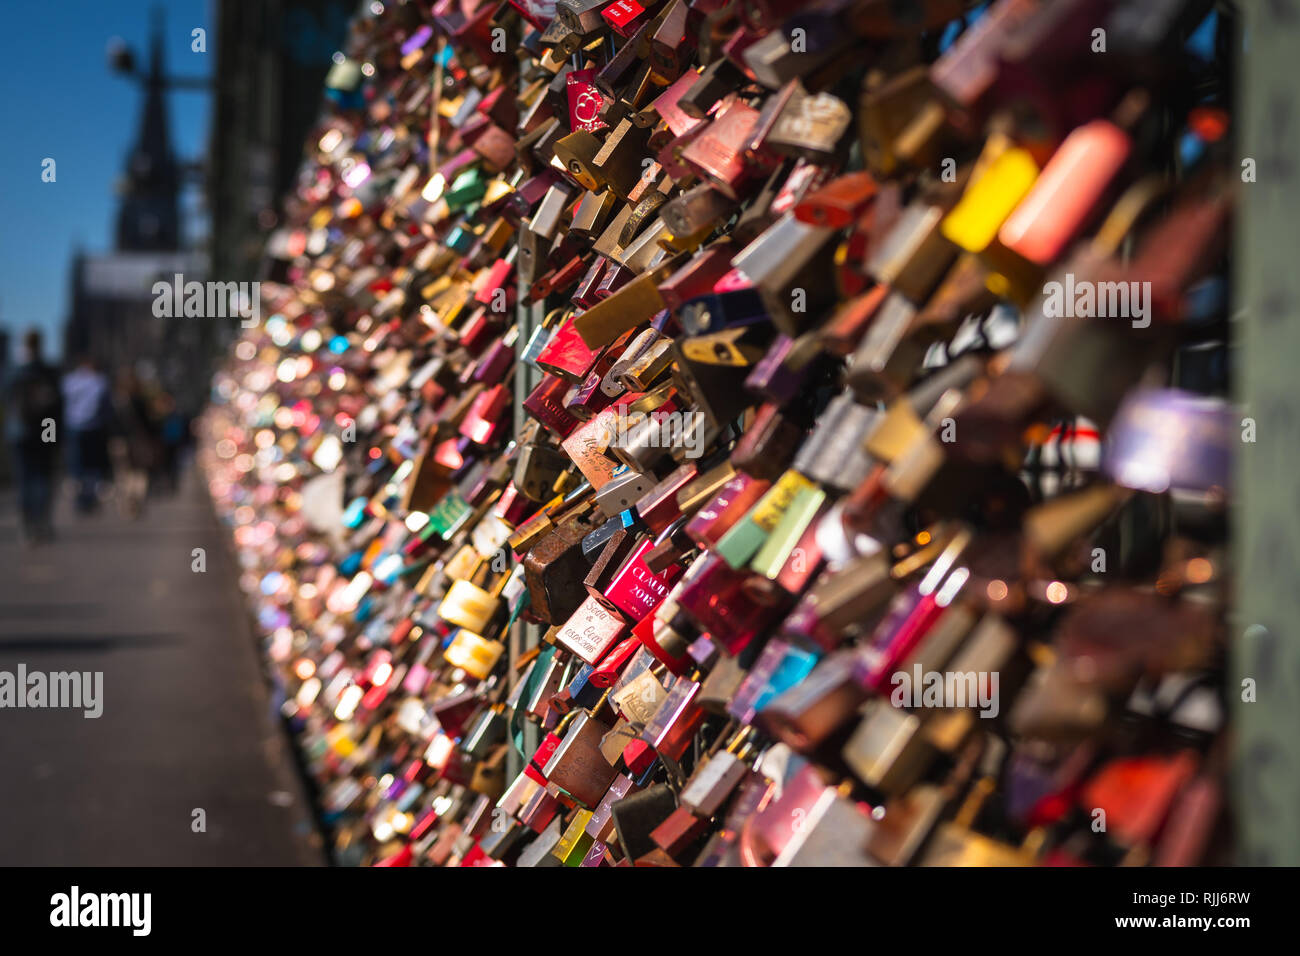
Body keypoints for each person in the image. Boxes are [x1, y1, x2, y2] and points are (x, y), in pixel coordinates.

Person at [4, 329, 62, 544]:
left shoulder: (14, 371)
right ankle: (42, 522)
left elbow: (6, 397)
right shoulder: (48, 371)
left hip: (19, 431)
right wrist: (55, 437)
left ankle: (27, 525)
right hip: (45, 430)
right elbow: (57, 408)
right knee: (43, 477)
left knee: (24, 478)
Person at [62, 355, 113, 513]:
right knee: (93, 464)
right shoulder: (100, 381)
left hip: (74, 427)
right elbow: (107, 408)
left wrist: (50, 435)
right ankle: (91, 499)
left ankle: (80, 500)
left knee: (77, 465)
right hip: (95, 428)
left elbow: (61, 404)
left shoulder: (69, 381)